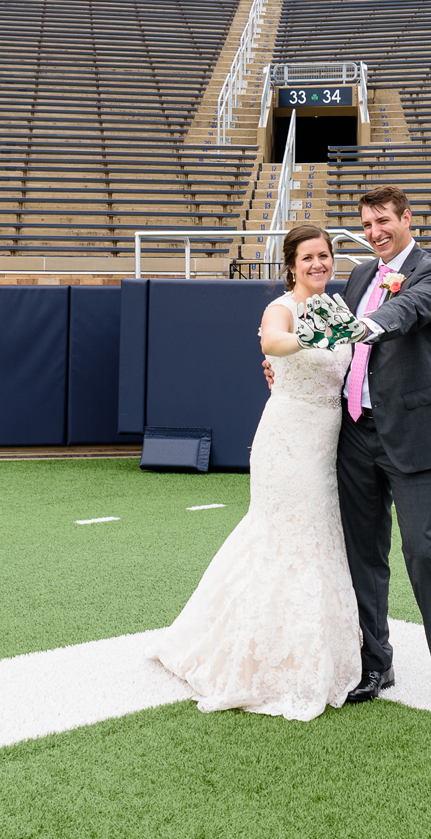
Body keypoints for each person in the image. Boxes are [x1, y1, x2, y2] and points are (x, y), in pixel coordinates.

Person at [269, 185, 431, 720]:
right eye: (366, 225)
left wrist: (370, 324)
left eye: (383, 221)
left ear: (408, 219)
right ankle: (376, 663)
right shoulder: (358, 276)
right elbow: (317, 341)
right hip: (353, 433)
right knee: (363, 555)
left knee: (424, 552)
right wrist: (280, 368)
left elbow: (410, 309)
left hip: (413, 433)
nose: (375, 232)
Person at [150, 223, 362, 721]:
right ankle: (260, 656)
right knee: (285, 537)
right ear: (291, 265)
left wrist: (329, 331)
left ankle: (315, 648)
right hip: (287, 442)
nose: (318, 265)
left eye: (324, 256)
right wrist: (307, 336)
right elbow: (273, 344)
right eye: (307, 258)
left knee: (319, 537)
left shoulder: (341, 308)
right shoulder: (282, 309)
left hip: (328, 440)